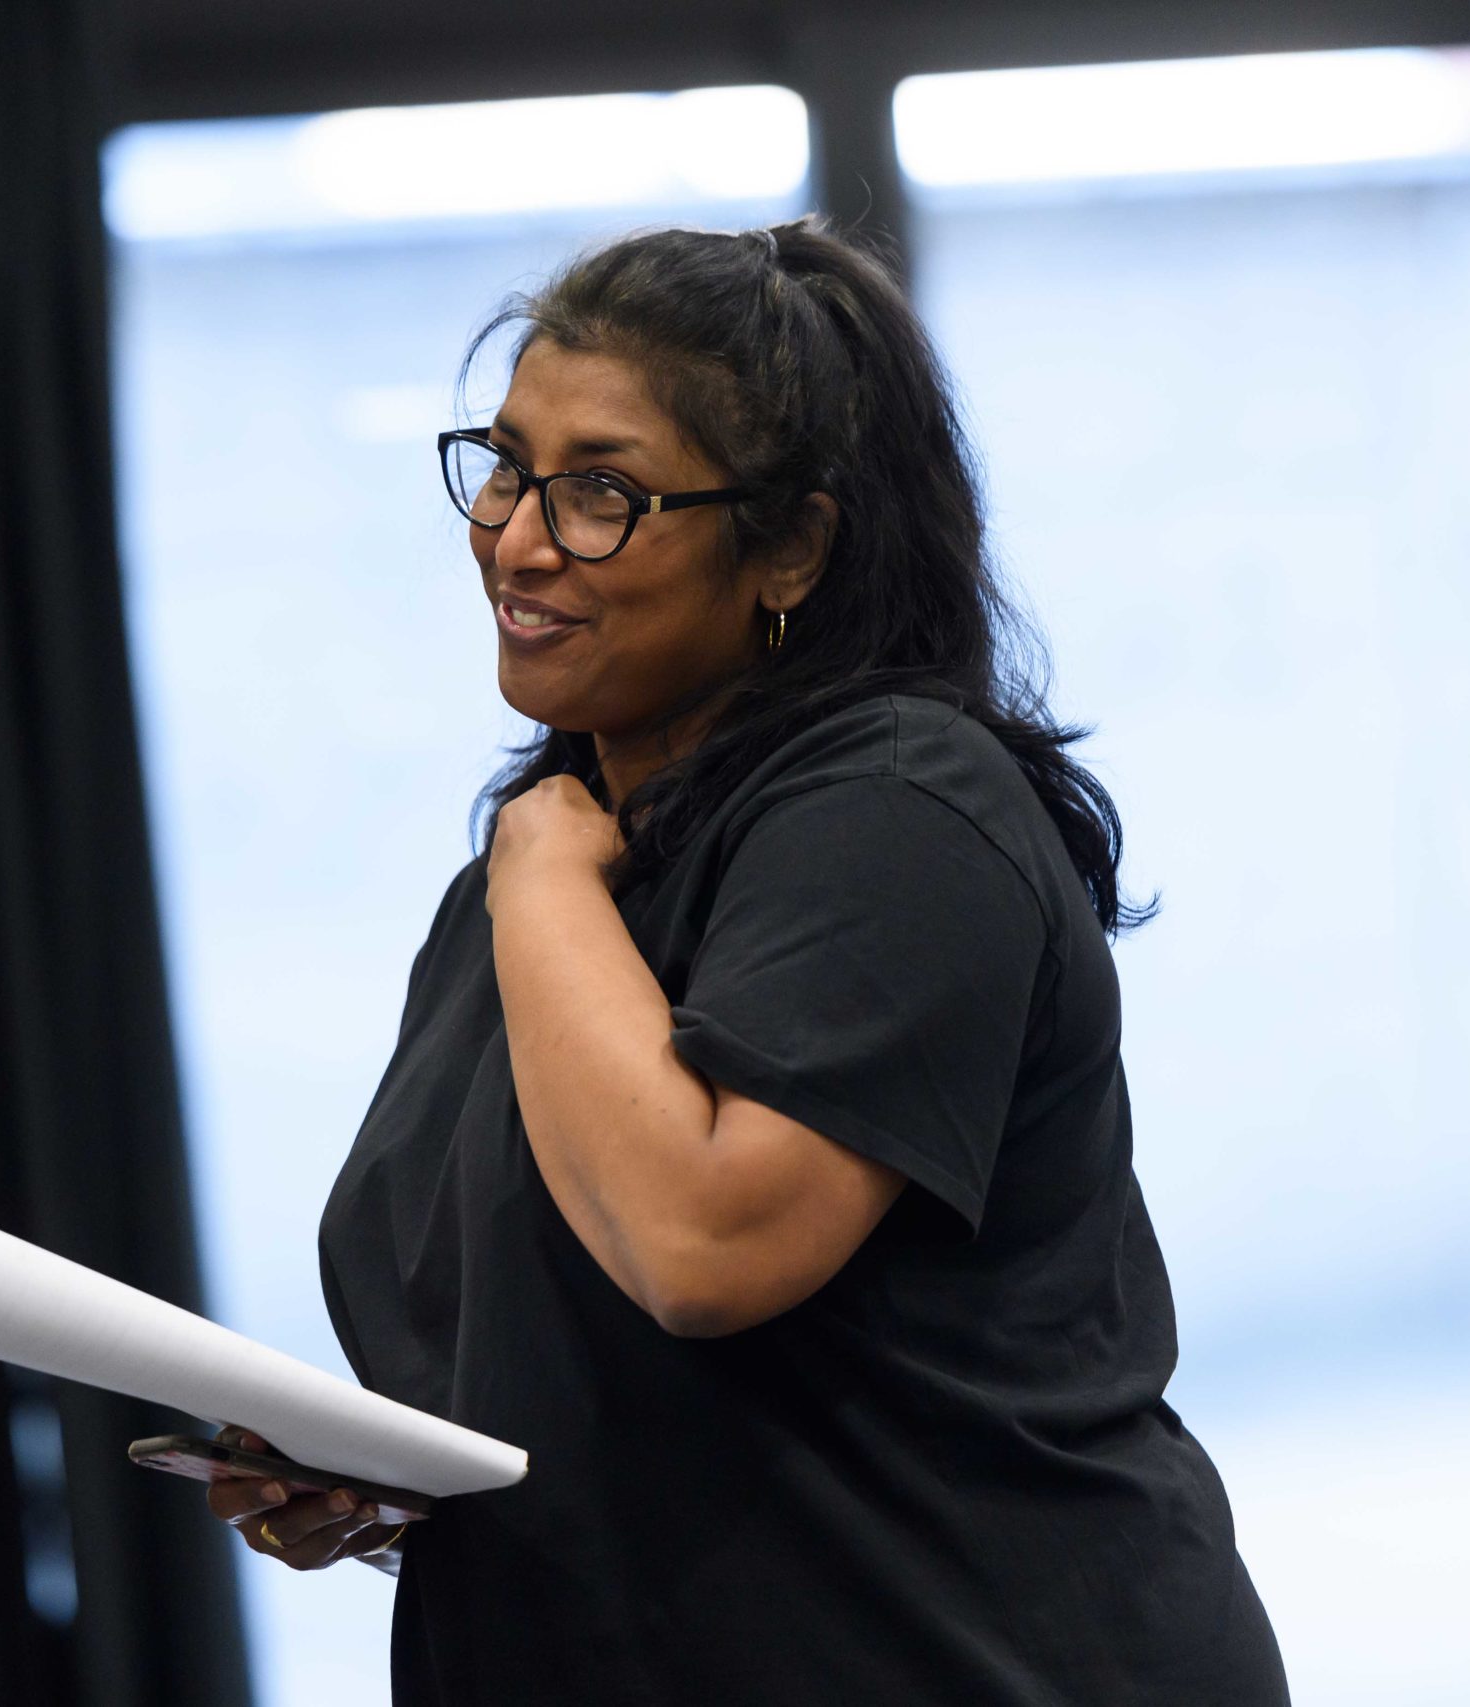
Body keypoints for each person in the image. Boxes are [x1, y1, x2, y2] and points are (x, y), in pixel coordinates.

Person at [204, 215, 1290, 1704]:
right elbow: (581, 1389)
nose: (517, 537)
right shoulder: (534, 891)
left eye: (602, 493)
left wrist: (537, 868)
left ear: (790, 544)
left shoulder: (897, 806)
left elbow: (708, 1246)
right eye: (507, 467)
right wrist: (388, 1483)